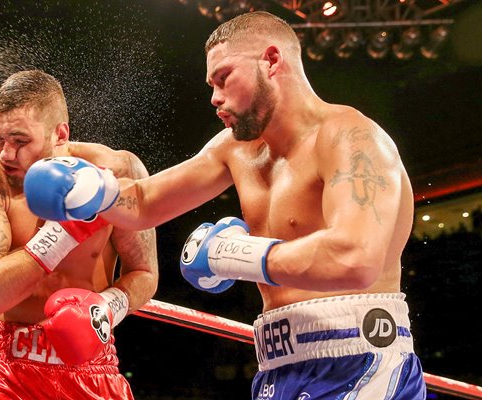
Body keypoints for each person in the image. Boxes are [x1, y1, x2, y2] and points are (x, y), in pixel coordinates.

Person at [24, 11, 425, 400]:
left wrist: (232, 254)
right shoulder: (236, 149)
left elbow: (354, 259)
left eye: (224, 78)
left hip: (362, 360)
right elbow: (145, 202)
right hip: (276, 367)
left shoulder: (352, 138)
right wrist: (93, 190)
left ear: (271, 60)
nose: (215, 97)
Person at [0, 69, 158, 399]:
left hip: (91, 367)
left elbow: (145, 273)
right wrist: (67, 231)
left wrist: (105, 308)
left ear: (60, 134)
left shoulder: (117, 172)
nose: (6, 153)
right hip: (5, 365)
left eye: (20, 141)